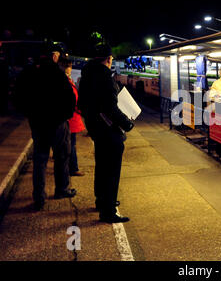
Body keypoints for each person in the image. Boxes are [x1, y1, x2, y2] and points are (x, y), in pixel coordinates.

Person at [14, 42, 77, 210]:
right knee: (62, 156)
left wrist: (30, 115)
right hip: (57, 123)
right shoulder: (58, 74)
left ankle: (39, 197)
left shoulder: (29, 72)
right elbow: (70, 100)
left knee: (40, 160)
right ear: (54, 56)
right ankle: (61, 189)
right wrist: (64, 116)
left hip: (38, 123)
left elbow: (17, 97)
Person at [78, 43, 134, 223]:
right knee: (111, 170)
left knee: (102, 166)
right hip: (109, 130)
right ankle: (108, 210)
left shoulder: (86, 75)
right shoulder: (104, 77)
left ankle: (102, 201)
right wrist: (127, 124)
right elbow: (111, 107)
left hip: (95, 128)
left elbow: (83, 104)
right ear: (109, 59)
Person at [58, 58, 85, 177]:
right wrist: (80, 109)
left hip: (71, 117)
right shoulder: (66, 82)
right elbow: (73, 100)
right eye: (69, 67)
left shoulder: (67, 81)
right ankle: (73, 168)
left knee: (70, 144)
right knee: (71, 145)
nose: (70, 69)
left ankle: (72, 167)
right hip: (71, 118)